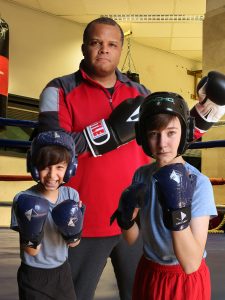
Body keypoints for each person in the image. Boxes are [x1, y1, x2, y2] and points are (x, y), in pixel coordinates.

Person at [37, 16, 225, 300]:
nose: (104, 49)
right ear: (84, 47)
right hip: (84, 220)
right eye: (96, 43)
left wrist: (207, 113)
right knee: (73, 295)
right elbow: (47, 150)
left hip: (139, 219)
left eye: (112, 44)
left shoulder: (141, 93)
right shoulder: (58, 89)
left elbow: (171, 137)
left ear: (120, 49)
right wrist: (108, 132)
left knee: (142, 291)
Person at [114, 92, 217, 300]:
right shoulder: (141, 175)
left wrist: (176, 208)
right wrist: (126, 219)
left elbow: (191, 263)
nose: (162, 143)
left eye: (171, 133)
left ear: (184, 133)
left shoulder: (199, 184)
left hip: (184, 279)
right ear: (143, 136)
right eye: (153, 133)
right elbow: (131, 239)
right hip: (149, 271)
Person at [10, 130, 85, 300]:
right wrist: (32, 230)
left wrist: (73, 230)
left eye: (59, 167)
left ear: (70, 168)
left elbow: (74, 244)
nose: (52, 175)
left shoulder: (71, 195)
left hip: (62, 271)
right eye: (45, 167)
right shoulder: (23, 200)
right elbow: (31, 251)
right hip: (34, 275)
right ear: (34, 167)